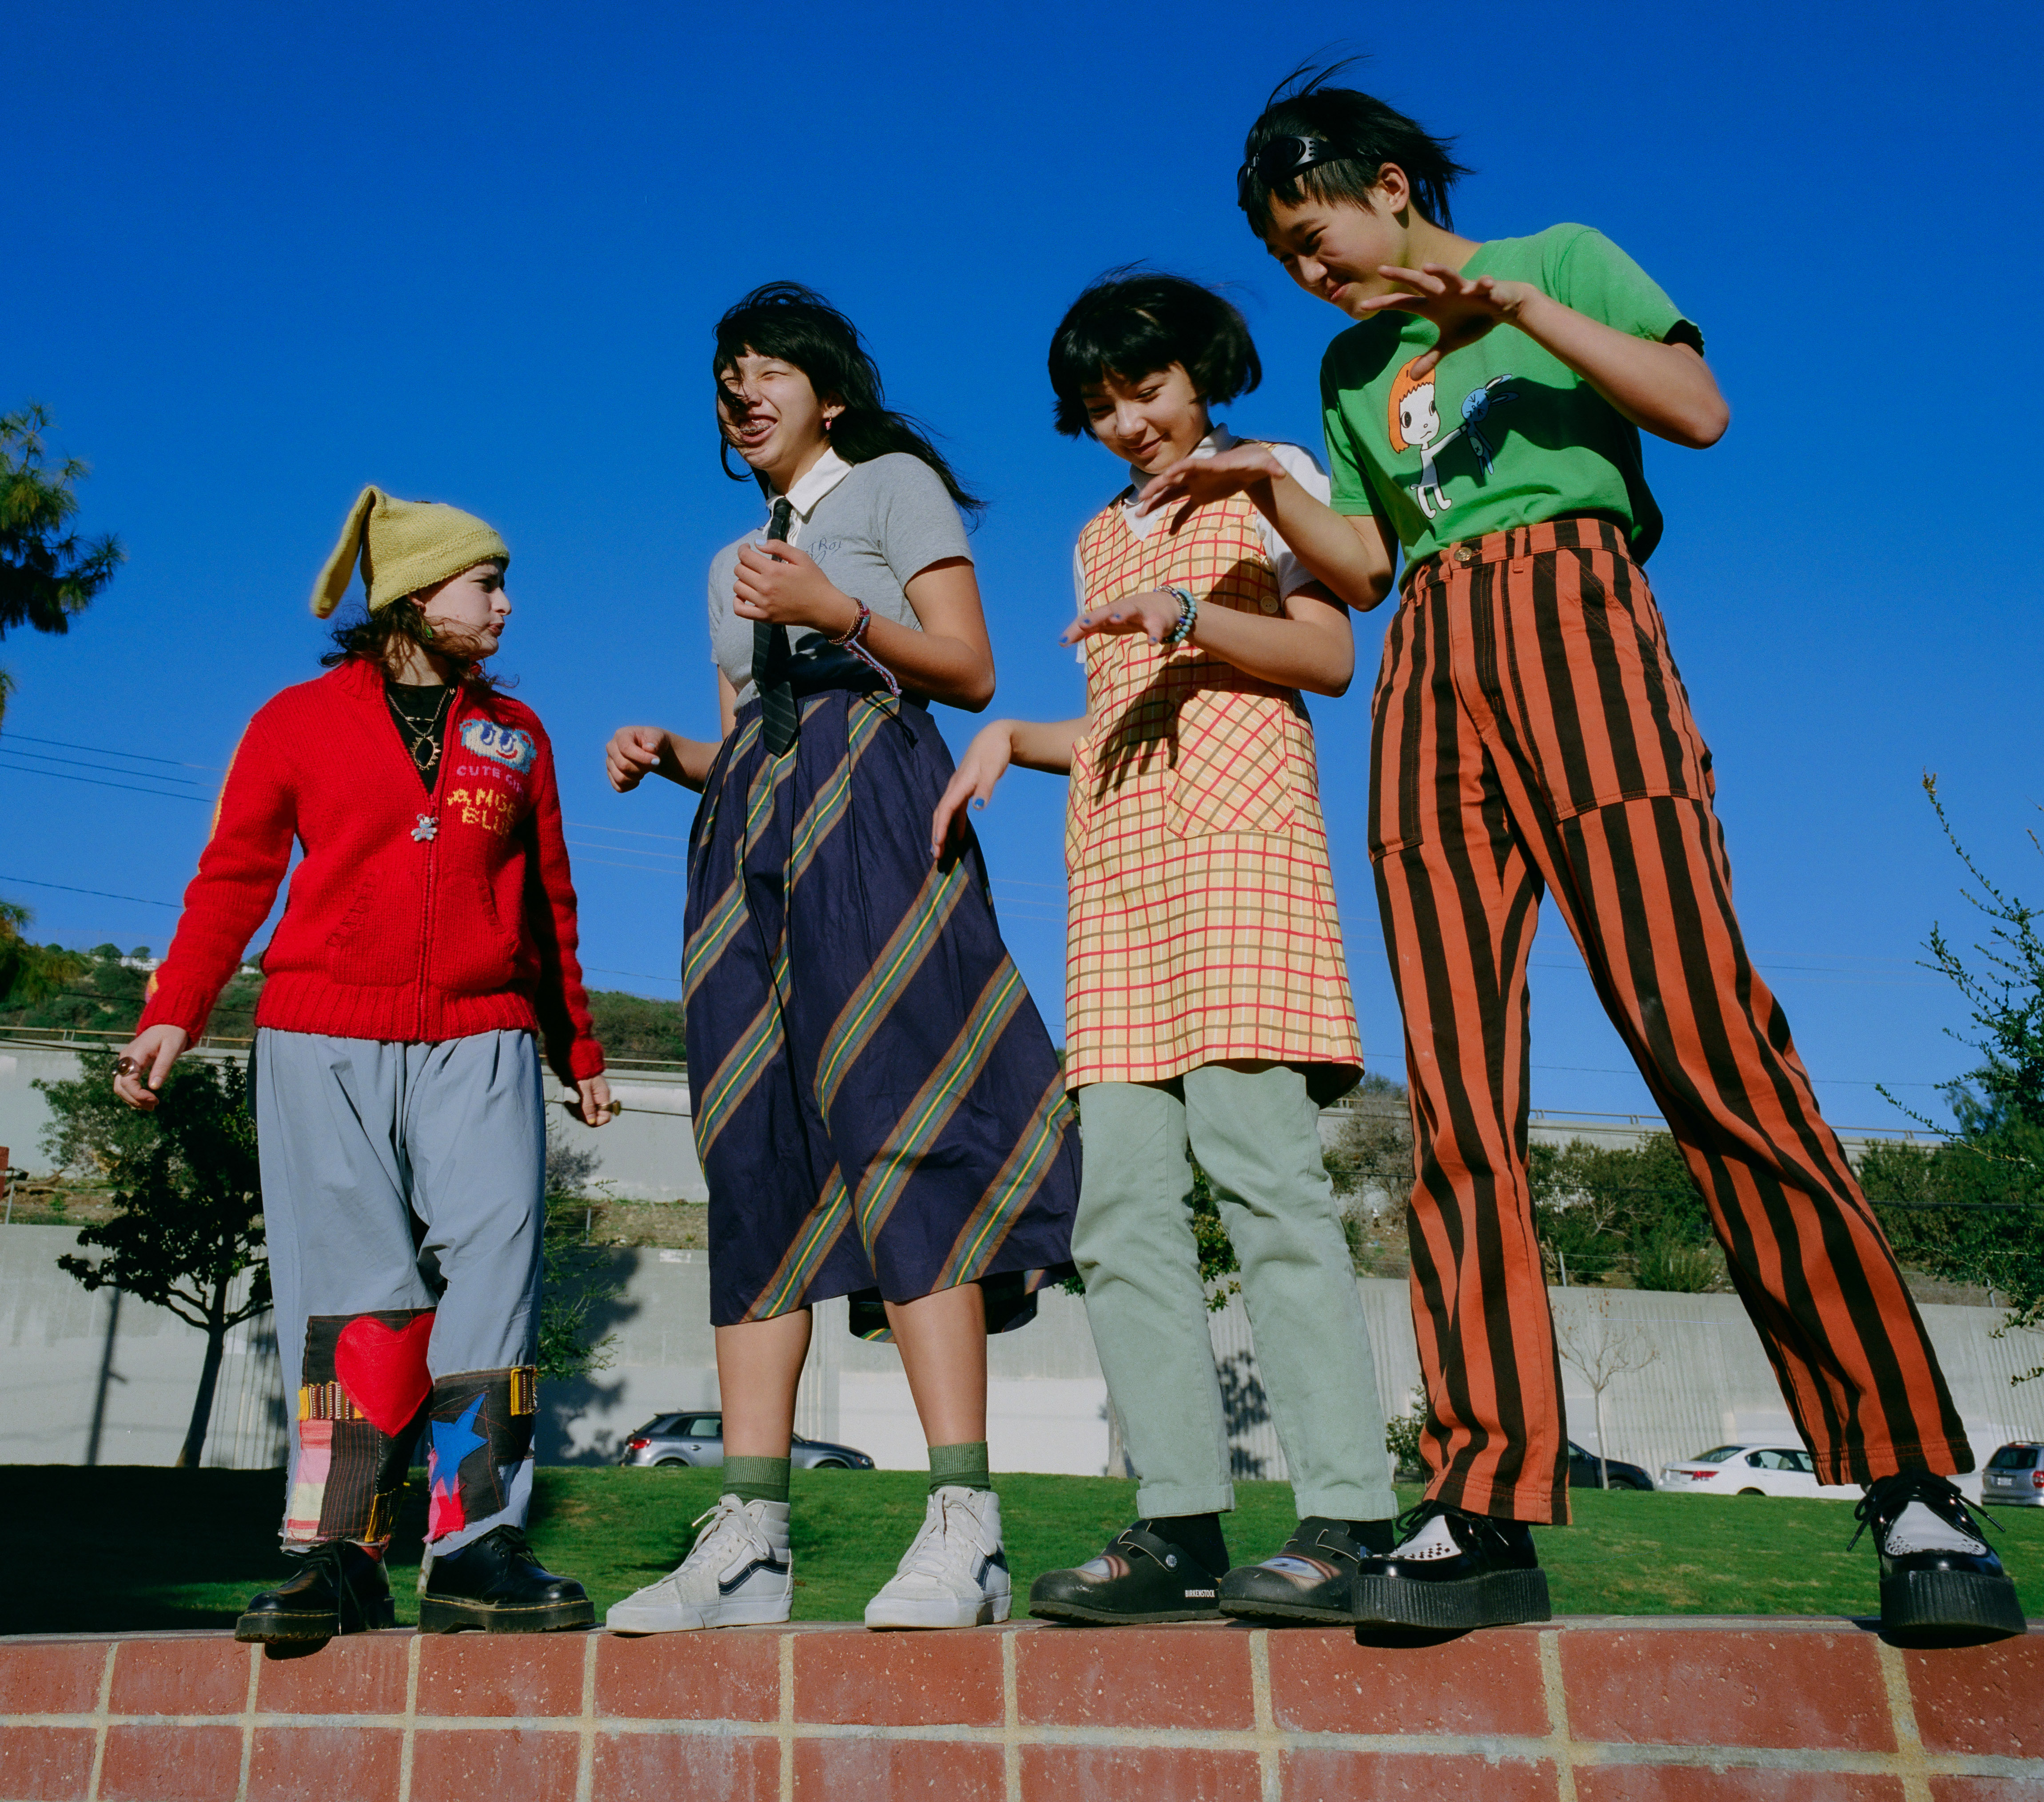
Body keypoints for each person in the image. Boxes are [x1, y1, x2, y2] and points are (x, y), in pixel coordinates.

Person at [1134, 68, 2024, 1640]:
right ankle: (1482, 1506)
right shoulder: (1353, 370)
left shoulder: (1566, 256)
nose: (1305, 267)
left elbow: (1696, 410)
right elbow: (1376, 557)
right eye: (1279, 250)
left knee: (1713, 1051)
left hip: (1579, 625)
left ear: (1390, 181)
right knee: (1458, 1107)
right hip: (1430, 678)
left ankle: (1911, 1488)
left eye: (1312, 227)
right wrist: (1270, 478)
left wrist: (1517, 307)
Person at [602, 283, 1079, 1635]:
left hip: (877, 811)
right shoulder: (723, 563)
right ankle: (749, 1538)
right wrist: (671, 755)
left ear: (831, 394)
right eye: (725, 380)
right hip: (748, 840)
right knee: (752, 1152)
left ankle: (967, 1527)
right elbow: (748, 733)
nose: (741, 396)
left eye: (766, 374)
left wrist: (834, 608)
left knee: (904, 1130)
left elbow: (971, 672)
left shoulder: (892, 491)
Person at [932, 272, 1399, 1626]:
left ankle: (1350, 1520)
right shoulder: (1093, 538)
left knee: (1265, 1183)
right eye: (1098, 407)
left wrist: (1190, 616)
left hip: (1242, 857)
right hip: (1120, 880)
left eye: (1145, 391)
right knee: (1122, 1213)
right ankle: (1180, 1526)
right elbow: (1126, 718)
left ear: (1201, 373)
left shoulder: (1269, 476)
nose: (1127, 422)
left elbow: (1327, 652)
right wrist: (1017, 738)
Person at [116, 486, 614, 1642]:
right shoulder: (295, 722)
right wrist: (176, 1008)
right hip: (321, 1038)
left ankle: (476, 1546)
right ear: (416, 594)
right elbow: (236, 875)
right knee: (355, 1307)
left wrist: (574, 1043)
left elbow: (548, 906)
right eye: (486, 583)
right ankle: (337, 1554)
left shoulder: (517, 735)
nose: (506, 605)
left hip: (483, 1038)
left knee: (493, 1284)